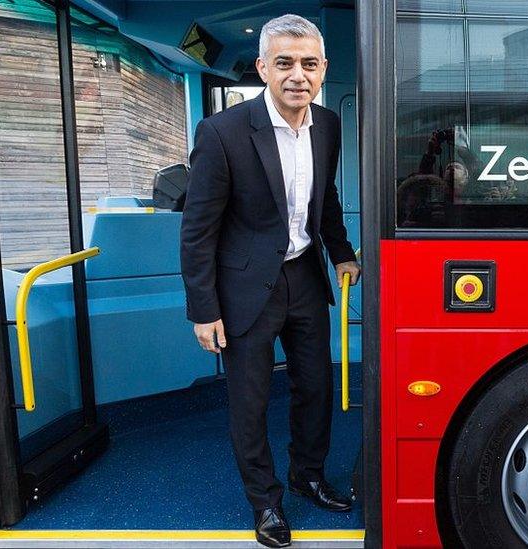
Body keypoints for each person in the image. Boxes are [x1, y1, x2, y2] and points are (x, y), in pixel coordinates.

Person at [179, 14, 360, 549]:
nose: (297, 75)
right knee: (251, 400)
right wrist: (202, 308)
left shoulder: (327, 125)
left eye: (308, 64)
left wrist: (342, 253)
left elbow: (323, 201)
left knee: (316, 387)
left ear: (323, 69)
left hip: (304, 276)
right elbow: (198, 230)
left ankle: (308, 474)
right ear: (263, 68)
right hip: (242, 289)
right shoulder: (221, 133)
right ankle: (265, 502)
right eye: (284, 63)